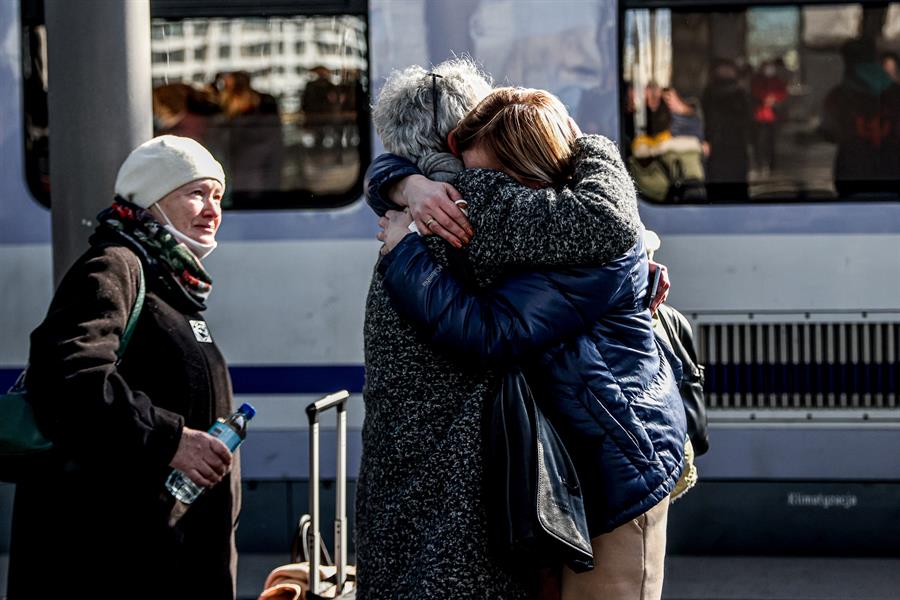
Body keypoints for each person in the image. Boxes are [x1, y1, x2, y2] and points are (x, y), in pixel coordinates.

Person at [364, 86, 685, 600]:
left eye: (487, 178)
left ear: (529, 171)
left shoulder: (581, 239)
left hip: (619, 472)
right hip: (581, 460)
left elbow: (490, 332)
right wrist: (406, 182)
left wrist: (406, 252)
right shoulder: (552, 222)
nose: (473, 193)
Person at [8, 136, 240, 600]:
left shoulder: (173, 282)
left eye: (217, 195)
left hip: (162, 554)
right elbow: (69, 375)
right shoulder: (115, 266)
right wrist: (171, 439)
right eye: (196, 193)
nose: (212, 209)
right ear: (151, 198)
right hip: (109, 561)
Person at [822, 39, 900, 197]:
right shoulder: (896, 93)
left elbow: (829, 131)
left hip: (852, 176)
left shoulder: (838, 96)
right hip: (894, 174)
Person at [701, 58, 752, 200]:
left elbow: (746, 118)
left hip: (735, 144)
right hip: (718, 145)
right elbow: (708, 117)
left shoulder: (740, 93)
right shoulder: (711, 92)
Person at [750, 60, 787, 176]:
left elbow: (782, 92)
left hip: (772, 116)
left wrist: (774, 99)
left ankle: (771, 165)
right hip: (759, 116)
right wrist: (765, 98)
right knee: (759, 141)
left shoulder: (776, 80)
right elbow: (755, 91)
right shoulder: (757, 80)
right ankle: (760, 164)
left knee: (771, 142)